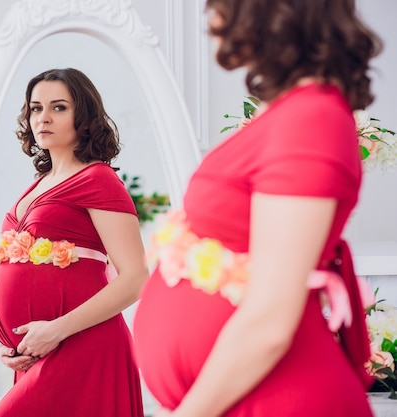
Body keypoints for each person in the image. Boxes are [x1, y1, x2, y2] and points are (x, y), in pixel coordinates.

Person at [132, 1, 382, 416]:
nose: (209, 17)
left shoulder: (312, 118)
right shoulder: (290, 111)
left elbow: (270, 319)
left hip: (279, 401)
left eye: (217, 4)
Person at [0, 67, 147, 417]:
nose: (43, 117)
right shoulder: (39, 182)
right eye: (35, 108)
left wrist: (55, 331)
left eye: (58, 107)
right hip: (39, 350)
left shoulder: (98, 179)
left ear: (84, 118)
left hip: (82, 343)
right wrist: (10, 344)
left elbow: (136, 278)